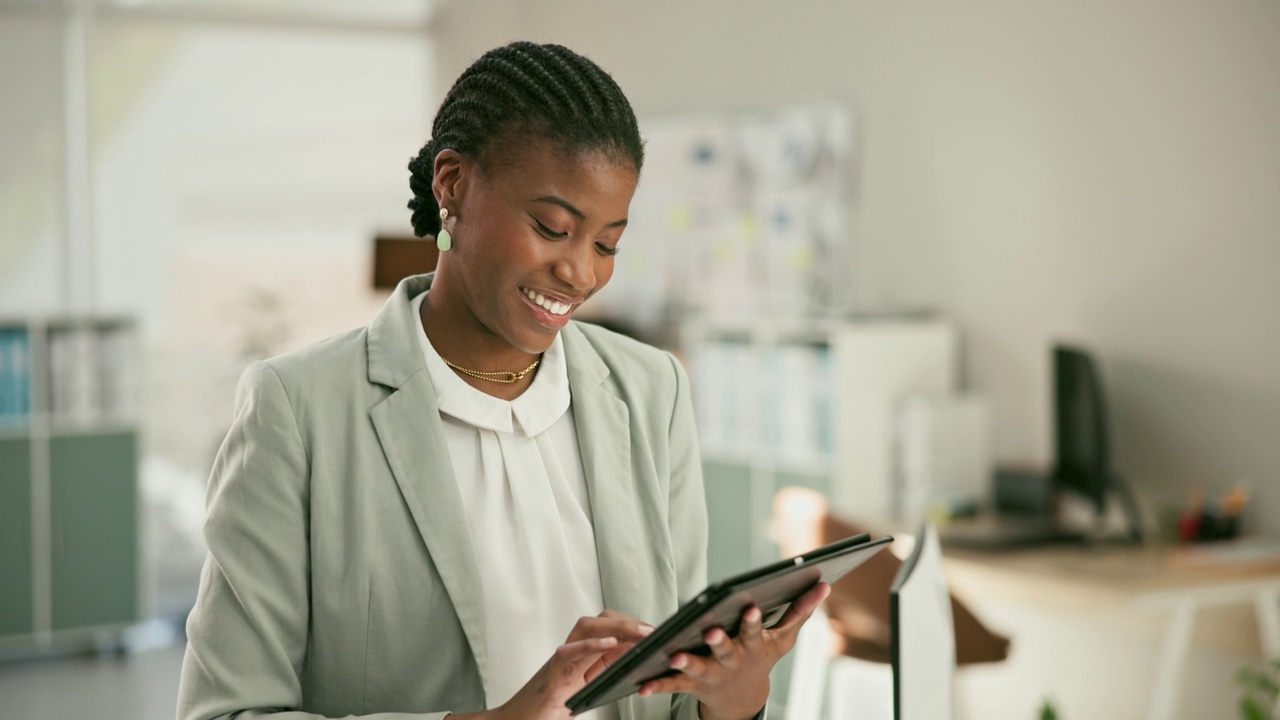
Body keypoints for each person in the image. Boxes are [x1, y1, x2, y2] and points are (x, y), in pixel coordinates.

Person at [176, 41, 828, 720]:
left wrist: (735, 697)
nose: (581, 273)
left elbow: (674, 692)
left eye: (607, 244)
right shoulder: (300, 411)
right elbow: (225, 712)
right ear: (452, 184)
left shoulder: (650, 391)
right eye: (552, 228)